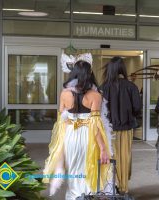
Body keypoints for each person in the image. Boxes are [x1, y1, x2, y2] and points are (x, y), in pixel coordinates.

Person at [43, 53, 112, 199]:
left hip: (71, 136)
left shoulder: (64, 94)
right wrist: (103, 148)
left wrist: (71, 123)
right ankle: (87, 196)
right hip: (88, 138)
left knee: (73, 172)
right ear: (90, 74)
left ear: (73, 74)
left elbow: (61, 119)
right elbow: (95, 125)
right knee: (89, 170)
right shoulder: (96, 95)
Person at [100, 56, 142, 194]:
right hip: (126, 128)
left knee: (110, 158)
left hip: (108, 130)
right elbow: (137, 107)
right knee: (125, 157)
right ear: (123, 68)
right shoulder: (131, 86)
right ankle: (123, 187)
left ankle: (110, 187)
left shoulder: (103, 88)